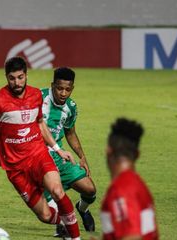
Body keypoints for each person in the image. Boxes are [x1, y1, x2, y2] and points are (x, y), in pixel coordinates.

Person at [0, 56, 81, 240]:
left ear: (26, 75)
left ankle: (75, 237)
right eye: (12, 78)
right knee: (46, 216)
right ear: (6, 77)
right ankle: (65, 222)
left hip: (38, 155)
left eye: (20, 77)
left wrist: (57, 149)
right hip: (15, 167)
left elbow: (40, 123)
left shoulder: (36, 95)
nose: (17, 82)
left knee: (57, 191)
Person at [41, 67, 97, 237]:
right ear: (52, 86)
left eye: (68, 89)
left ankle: (82, 209)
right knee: (57, 211)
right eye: (59, 88)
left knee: (90, 190)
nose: (63, 93)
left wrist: (82, 157)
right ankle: (62, 225)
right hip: (39, 160)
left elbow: (70, 132)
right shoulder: (37, 99)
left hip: (60, 157)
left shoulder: (71, 107)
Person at [99, 118, 158, 239]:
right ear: (137, 154)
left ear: (108, 151)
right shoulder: (137, 183)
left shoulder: (122, 189)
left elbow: (132, 236)